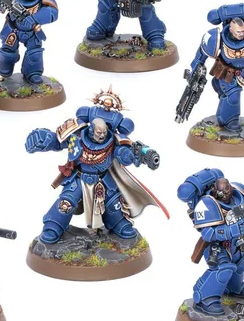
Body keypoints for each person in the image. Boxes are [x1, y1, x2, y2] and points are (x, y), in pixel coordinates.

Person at [26, 94, 168, 243]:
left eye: (104, 132)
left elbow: (123, 154)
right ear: (91, 129)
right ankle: (53, 226)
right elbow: (58, 141)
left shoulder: (114, 142)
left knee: (113, 204)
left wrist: (133, 155)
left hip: (102, 180)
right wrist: (44, 139)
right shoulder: (77, 135)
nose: (102, 135)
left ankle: (119, 224)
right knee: (66, 202)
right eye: (98, 132)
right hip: (79, 178)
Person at [177, 169, 244, 315]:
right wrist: (229, 231)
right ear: (215, 190)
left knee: (240, 264)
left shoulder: (240, 192)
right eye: (222, 192)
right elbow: (208, 233)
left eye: (228, 190)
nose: (226, 194)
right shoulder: (207, 203)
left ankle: (233, 289)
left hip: (236, 243)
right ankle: (204, 298)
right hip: (217, 246)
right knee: (223, 269)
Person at [188, 3, 244, 131]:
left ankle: (222, 117)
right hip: (226, 75)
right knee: (233, 96)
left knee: (228, 96)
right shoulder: (217, 37)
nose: (241, 34)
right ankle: (230, 121)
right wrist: (195, 68)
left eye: (243, 31)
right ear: (230, 29)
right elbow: (201, 53)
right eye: (238, 32)